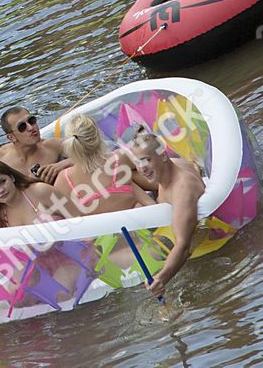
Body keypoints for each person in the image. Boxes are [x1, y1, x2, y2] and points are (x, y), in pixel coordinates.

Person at [127, 129, 207, 299]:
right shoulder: (167, 171)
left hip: (203, 244)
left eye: (146, 160)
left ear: (163, 156)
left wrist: (161, 279)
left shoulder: (182, 188)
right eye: (138, 162)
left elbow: (183, 245)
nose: (142, 168)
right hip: (183, 233)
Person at [52, 114, 155, 216]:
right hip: (140, 228)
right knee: (130, 176)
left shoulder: (64, 179)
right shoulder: (119, 159)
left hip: (104, 231)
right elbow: (153, 165)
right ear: (98, 136)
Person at [0, 160, 70, 229]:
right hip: (39, 258)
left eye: (2, 181)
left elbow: (79, 216)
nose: (0, 190)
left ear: (12, 177)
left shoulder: (40, 191)